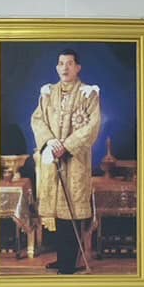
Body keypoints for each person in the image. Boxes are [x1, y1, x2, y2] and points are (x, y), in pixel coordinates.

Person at [30, 48, 100, 274]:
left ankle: (71, 262)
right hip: (53, 158)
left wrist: (67, 146)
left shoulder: (88, 94)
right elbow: (37, 120)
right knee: (58, 211)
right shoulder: (48, 93)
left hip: (75, 160)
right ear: (56, 67)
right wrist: (50, 142)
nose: (65, 68)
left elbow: (93, 126)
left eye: (69, 63)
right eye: (61, 63)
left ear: (78, 67)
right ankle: (62, 259)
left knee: (72, 210)